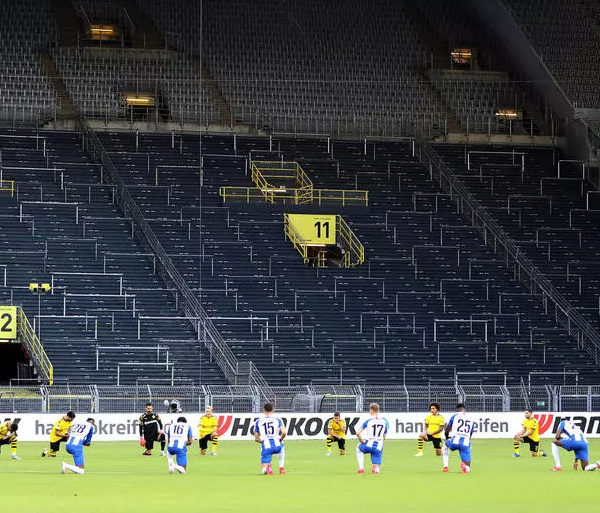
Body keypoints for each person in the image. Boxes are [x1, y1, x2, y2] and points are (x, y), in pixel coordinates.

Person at [253, 402, 287, 475]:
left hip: (267, 446)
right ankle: (281, 468)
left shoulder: (258, 421)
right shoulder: (278, 420)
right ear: (273, 410)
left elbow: (256, 438)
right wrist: (280, 440)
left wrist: (263, 443)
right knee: (282, 445)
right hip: (277, 446)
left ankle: (267, 467)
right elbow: (284, 432)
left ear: (264, 411)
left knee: (264, 470)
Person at [356, 403, 389, 474]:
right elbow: (384, 435)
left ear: (371, 410)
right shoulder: (384, 422)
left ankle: (361, 468)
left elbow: (358, 433)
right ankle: (375, 468)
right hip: (379, 446)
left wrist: (362, 441)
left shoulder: (369, 421)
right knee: (377, 455)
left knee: (358, 447)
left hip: (369, 444)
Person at [442, 403, 474, 473]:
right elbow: (471, 432)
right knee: (468, 468)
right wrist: (468, 439)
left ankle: (445, 467)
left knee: (445, 447)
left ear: (457, 410)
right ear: (464, 410)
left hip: (455, 441)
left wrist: (447, 437)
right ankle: (466, 467)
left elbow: (447, 429)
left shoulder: (455, 416)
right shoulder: (471, 419)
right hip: (465, 443)